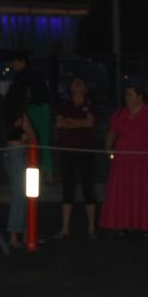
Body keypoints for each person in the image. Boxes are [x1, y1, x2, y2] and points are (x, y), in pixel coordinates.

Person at [99, 84, 148, 236]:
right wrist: (108, 147)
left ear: (140, 97)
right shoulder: (120, 113)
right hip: (123, 160)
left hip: (145, 160)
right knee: (124, 191)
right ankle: (124, 223)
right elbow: (112, 131)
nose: (126, 98)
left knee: (146, 192)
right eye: (127, 95)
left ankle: (146, 225)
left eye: (130, 94)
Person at [55, 77, 97, 239]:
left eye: (81, 83)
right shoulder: (64, 104)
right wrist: (80, 122)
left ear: (85, 88)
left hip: (86, 151)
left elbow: (90, 124)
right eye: (75, 83)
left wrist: (70, 121)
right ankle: (65, 228)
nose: (77, 85)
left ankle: (91, 228)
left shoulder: (90, 104)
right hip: (67, 152)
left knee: (88, 189)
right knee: (68, 188)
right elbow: (59, 124)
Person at [2, 82, 37, 248]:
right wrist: (26, 136)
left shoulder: (6, 113)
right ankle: (15, 235)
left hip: (10, 153)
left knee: (21, 194)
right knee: (20, 195)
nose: (30, 96)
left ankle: (21, 233)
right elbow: (31, 134)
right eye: (28, 93)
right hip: (17, 154)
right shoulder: (20, 114)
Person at [11, 52, 54, 181]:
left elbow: (22, 94)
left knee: (31, 139)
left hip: (32, 108)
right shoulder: (38, 74)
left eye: (15, 62)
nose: (13, 65)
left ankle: (32, 170)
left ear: (22, 61)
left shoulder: (21, 75)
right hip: (44, 107)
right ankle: (48, 171)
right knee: (45, 140)